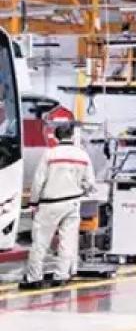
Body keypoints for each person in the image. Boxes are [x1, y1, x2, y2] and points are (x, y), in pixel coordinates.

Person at [20, 123, 95, 291]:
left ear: (55, 136)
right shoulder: (83, 155)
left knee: (40, 242)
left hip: (50, 204)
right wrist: (80, 190)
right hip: (72, 204)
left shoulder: (50, 154)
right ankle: (61, 276)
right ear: (72, 136)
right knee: (67, 242)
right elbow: (90, 183)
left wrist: (33, 202)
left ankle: (34, 278)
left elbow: (38, 181)